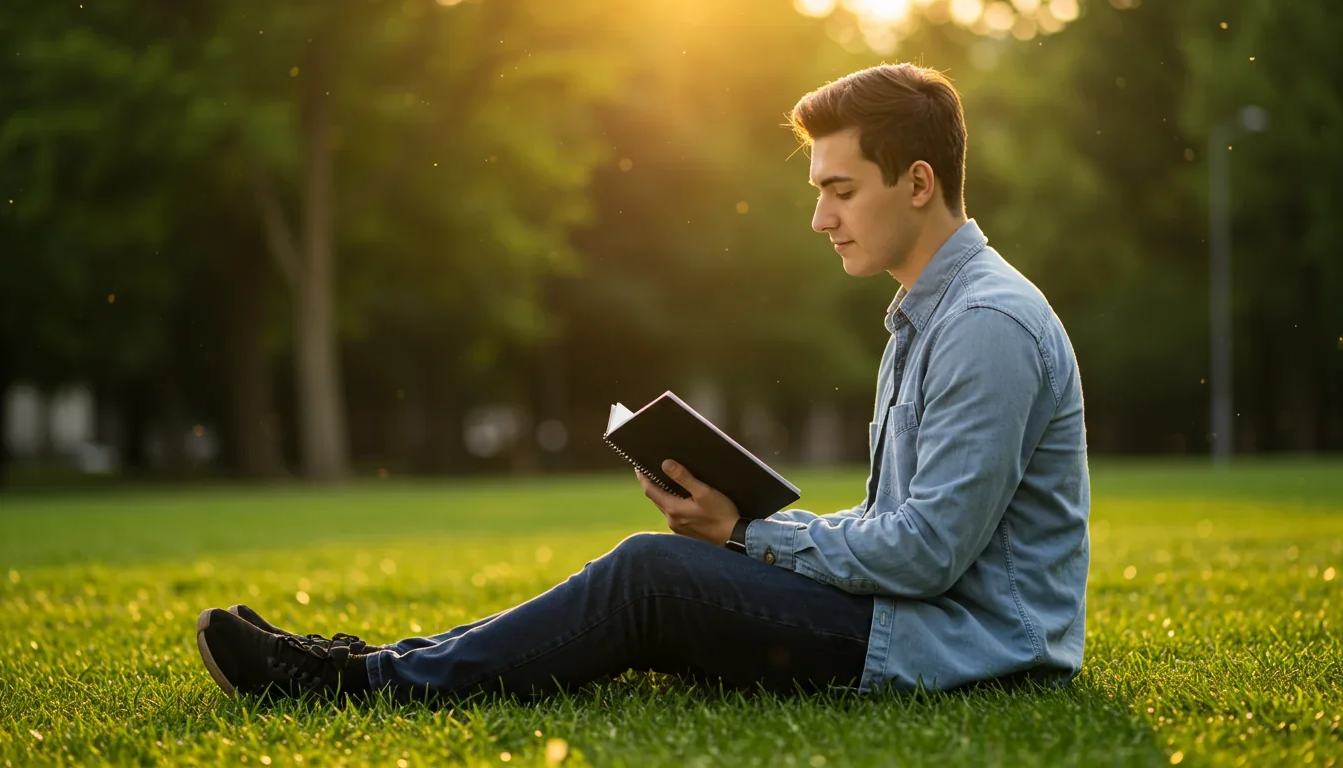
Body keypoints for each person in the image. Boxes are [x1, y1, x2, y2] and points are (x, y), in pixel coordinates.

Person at [194, 62, 1090, 703]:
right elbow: (904, 531)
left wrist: (750, 533)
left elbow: (928, 554)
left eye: (841, 190)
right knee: (665, 566)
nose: (819, 217)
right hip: (916, 620)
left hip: (967, 648)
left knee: (650, 573)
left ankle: (363, 681)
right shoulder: (927, 317)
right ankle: (367, 664)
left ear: (920, 183)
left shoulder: (985, 327)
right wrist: (749, 534)